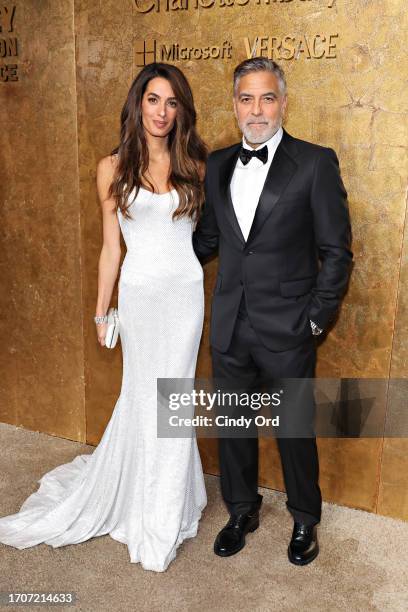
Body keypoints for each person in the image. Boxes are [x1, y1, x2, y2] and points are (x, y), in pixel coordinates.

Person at [0, 62, 208, 573]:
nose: (162, 111)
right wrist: (100, 312)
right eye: (154, 99)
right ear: (138, 103)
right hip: (139, 299)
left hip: (185, 295)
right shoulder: (111, 168)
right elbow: (111, 249)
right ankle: (146, 503)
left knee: (173, 395)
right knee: (144, 393)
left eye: (172, 102)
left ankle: (166, 508)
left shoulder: (196, 165)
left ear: (182, 111)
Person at [193, 57, 353, 565]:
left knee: (294, 429)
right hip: (230, 323)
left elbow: (337, 252)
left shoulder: (314, 162)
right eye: (246, 98)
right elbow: (208, 241)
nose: (256, 110)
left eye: (266, 98)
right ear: (234, 104)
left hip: (289, 326)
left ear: (283, 103)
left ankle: (305, 518)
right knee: (234, 427)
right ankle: (241, 510)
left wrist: (314, 319)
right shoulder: (217, 164)